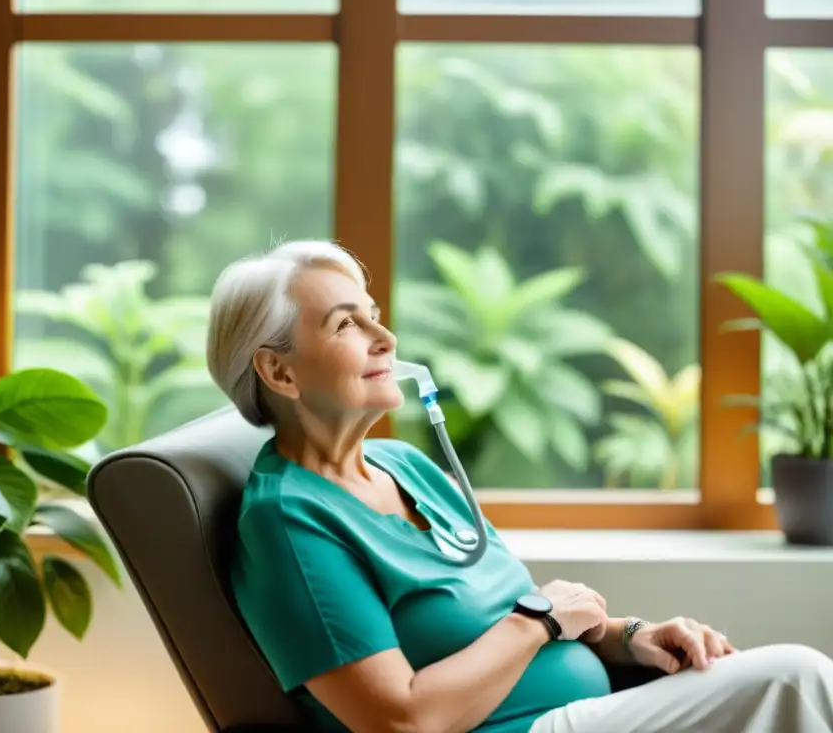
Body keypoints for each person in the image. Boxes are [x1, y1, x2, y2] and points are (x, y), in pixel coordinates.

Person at [206, 239, 833, 733]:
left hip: (580, 708)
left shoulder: (408, 467)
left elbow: (518, 619)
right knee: (796, 681)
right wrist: (538, 619)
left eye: (375, 316)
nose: (386, 339)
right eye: (347, 325)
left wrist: (630, 637)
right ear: (279, 370)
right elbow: (399, 719)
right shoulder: (289, 521)